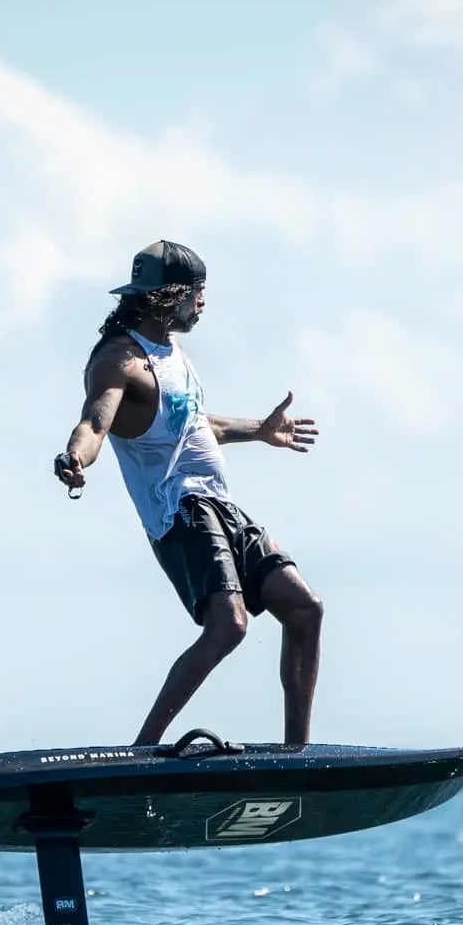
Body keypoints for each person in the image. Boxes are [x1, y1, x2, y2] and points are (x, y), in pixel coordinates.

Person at [54, 239, 323, 746]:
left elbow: (195, 424)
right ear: (168, 296)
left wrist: (260, 431)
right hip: (180, 513)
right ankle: (142, 750)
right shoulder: (120, 360)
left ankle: (297, 755)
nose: (202, 302)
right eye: (197, 292)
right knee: (229, 627)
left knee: (304, 607)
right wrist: (75, 458)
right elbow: (94, 422)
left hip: (219, 504)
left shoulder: (170, 351)